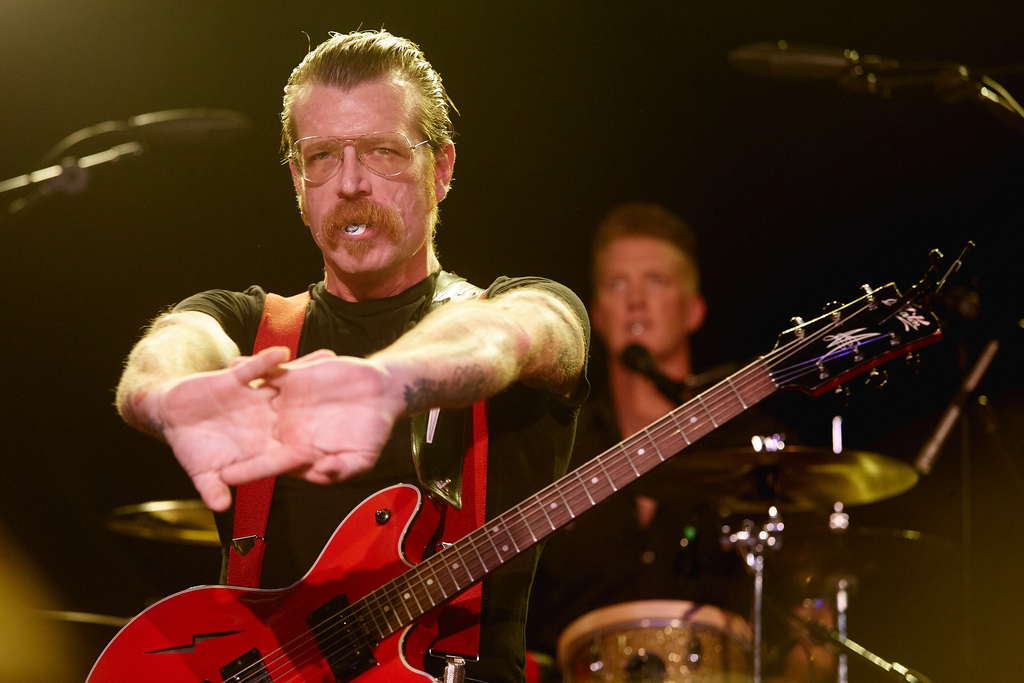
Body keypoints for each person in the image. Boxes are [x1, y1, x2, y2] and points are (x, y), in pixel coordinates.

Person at [115, 30, 589, 683]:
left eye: (383, 151)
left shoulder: (518, 305)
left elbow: (515, 333)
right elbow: (172, 344)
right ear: (295, 179)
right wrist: (167, 394)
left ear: (443, 168)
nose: (350, 183)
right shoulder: (253, 325)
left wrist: (385, 381)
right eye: (321, 156)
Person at [525, 203, 824, 681]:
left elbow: (816, 613)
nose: (636, 300)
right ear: (597, 316)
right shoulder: (556, 447)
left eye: (657, 281)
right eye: (617, 283)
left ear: (694, 309)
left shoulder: (757, 446)